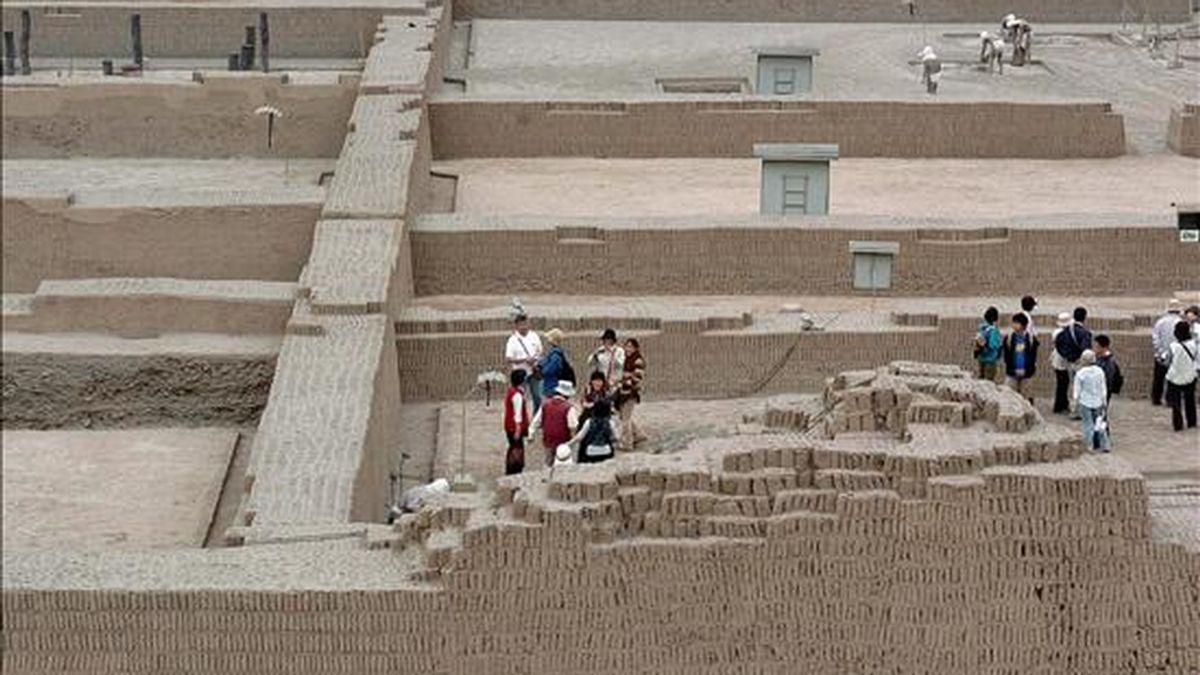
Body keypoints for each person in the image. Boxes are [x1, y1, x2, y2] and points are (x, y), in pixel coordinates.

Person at [529, 381, 579, 467]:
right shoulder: (569, 408)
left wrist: (531, 434)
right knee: (563, 464)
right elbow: (573, 426)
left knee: (548, 463)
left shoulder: (545, 405)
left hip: (548, 440)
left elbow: (536, 422)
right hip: (563, 441)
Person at [1053, 307, 1093, 415]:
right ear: (1085, 318)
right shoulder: (1084, 333)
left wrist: (1067, 356)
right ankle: (1077, 410)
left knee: (1070, 386)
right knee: (1079, 387)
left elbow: (1058, 344)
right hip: (1079, 362)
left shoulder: (1065, 331)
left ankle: (1071, 407)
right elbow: (1086, 350)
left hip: (1068, 362)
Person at [1073, 350, 1110, 452]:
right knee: (1100, 424)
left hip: (1085, 402)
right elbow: (1103, 387)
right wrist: (1104, 400)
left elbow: (1077, 390)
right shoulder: (1100, 371)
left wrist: (1075, 403)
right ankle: (1105, 445)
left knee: (1087, 424)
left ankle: (1089, 445)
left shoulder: (1080, 373)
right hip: (1098, 401)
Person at [505, 313, 544, 411]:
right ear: (516, 326)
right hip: (520, 374)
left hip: (534, 372)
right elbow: (509, 359)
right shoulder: (512, 340)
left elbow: (540, 352)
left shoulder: (534, 336)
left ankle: (536, 420)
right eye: (522, 324)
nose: (524, 327)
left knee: (538, 396)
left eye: (526, 324)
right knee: (519, 398)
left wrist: (535, 359)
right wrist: (524, 360)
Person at [1165, 320, 1198, 432]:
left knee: (1176, 402)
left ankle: (1178, 424)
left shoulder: (1173, 346)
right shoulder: (1194, 345)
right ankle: (1192, 421)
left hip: (1175, 376)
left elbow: (1167, 361)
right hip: (1190, 375)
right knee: (1190, 400)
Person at [615, 337, 647, 449]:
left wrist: (625, 378)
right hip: (622, 392)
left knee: (626, 419)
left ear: (635, 348)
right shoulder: (625, 359)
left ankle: (627, 443)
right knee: (623, 417)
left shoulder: (638, 360)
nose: (628, 349)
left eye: (630, 347)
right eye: (626, 346)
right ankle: (639, 435)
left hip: (631, 393)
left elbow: (637, 378)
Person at [1151, 299, 1184, 406]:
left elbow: (1155, 338)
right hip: (1176, 354)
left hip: (1161, 354)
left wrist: (1160, 351)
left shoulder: (1160, 322)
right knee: (1173, 379)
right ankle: (1171, 399)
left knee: (1158, 379)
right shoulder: (1180, 322)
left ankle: (1156, 398)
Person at [568, 398, 619, 464]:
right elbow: (617, 437)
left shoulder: (589, 421)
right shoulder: (610, 422)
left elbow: (579, 437)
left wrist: (569, 443)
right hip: (606, 451)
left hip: (591, 451)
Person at [1002, 312, 1038, 402]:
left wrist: (1030, 368)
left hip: (1027, 373)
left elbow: (1033, 356)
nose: (1014, 325)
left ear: (1023, 325)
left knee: (1026, 398)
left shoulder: (1031, 339)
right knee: (1009, 397)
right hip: (1012, 372)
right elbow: (1006, 355)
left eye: (1016, 323)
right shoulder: (1009, 338)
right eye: (1013, 322)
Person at [502, 370, 529, 475]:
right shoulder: (517, 395)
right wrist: (518, 429)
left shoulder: (511, 391)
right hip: (514, 428)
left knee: (513, 448)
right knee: (517, 450)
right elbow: (518, 415)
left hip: (509, 426)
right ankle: (514, 471)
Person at [537, 328, 575, 402]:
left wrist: (541, 370)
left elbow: (550, 369)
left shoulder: (555, 355)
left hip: (552, 384)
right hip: (551, 383)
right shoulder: (555, 353)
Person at [974, 306, 1003, 381]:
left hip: (981, 358)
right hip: (990, 359)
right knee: (989, 382)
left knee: (981, 379)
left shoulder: (981, 328)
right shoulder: (993, 330)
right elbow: (993, 345)